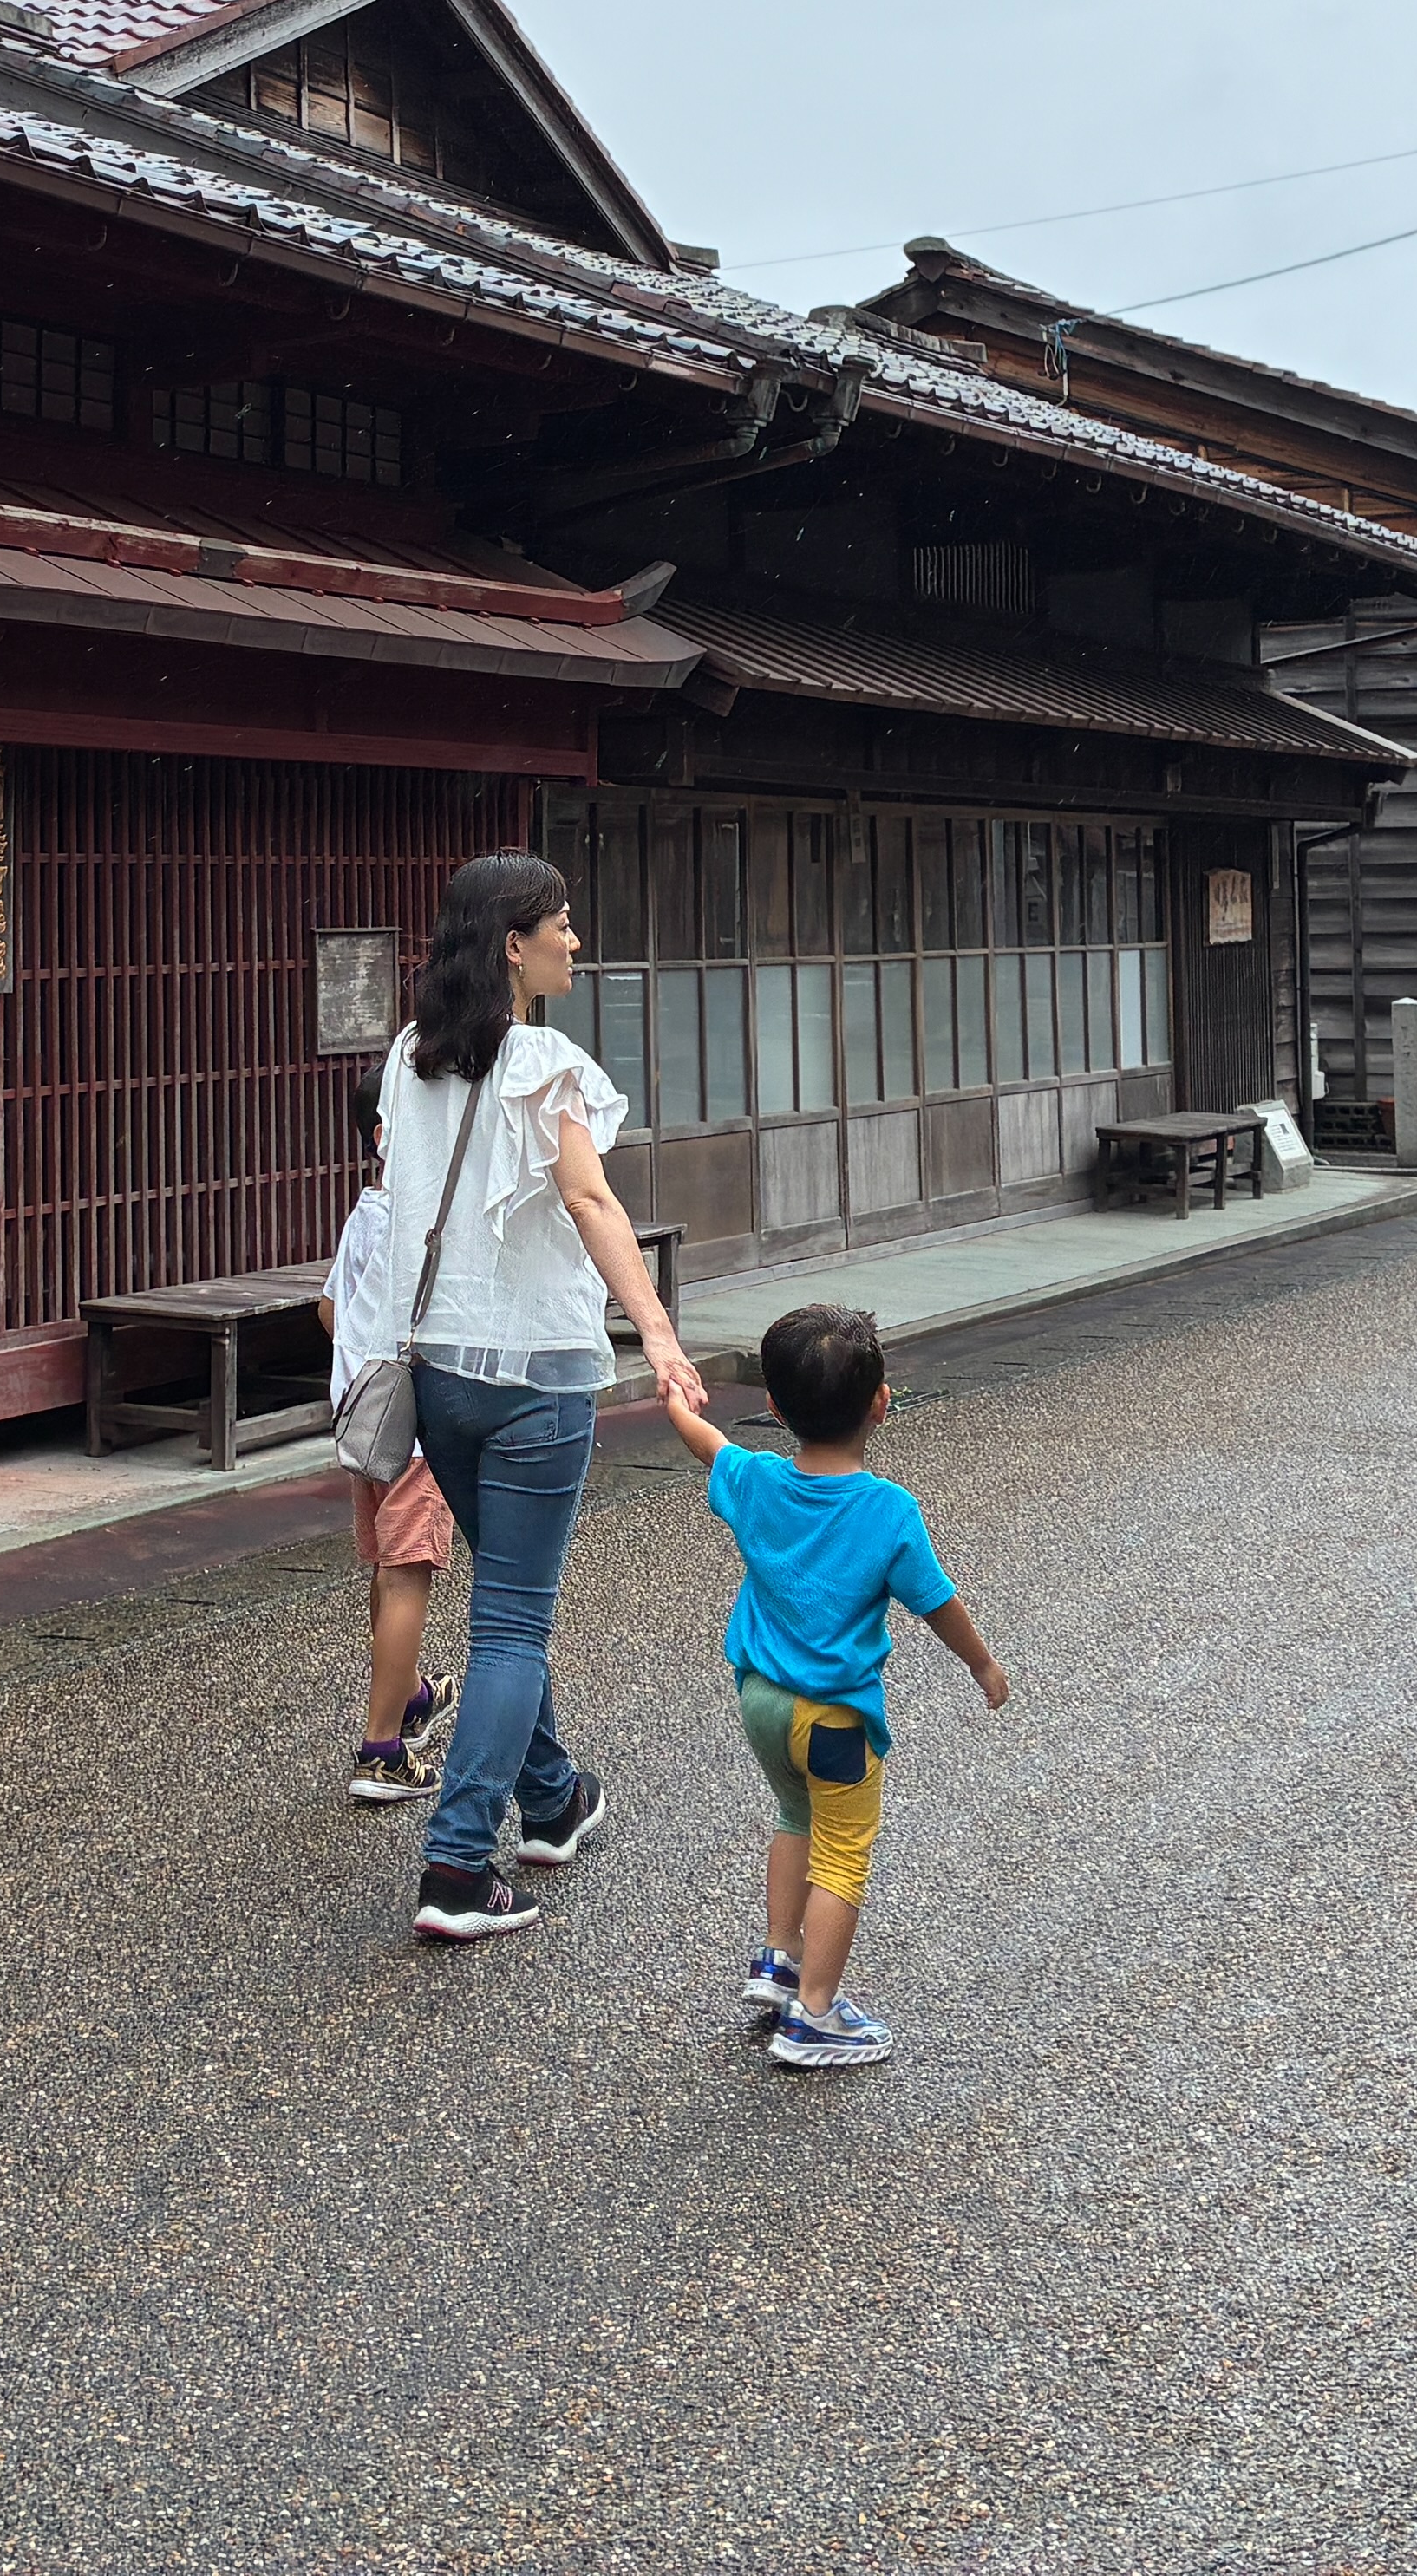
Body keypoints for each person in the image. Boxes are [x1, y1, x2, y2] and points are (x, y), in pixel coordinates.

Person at [382, 850, 690, 1945]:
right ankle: (459, 1865)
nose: (575, 939)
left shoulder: (410, 1058)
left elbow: (392, 1201)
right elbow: (593, 1200)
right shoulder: (547, 1061)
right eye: (560, 923)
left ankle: (553, 1797)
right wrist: (659, 1335)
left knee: (507, 1599)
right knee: (513, 1620)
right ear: (514, 942)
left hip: (436, 1373)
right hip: (536, 1375)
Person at [648, 1303, 1008, 2069]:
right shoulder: (887, 1511)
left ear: (774, 1410)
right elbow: (936, 1600)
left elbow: (707, 1444)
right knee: (843, 1855)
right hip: (836, 1719)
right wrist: (981, 1664)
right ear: (881, 1402)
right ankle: (814, 2017)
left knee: (791, 1815)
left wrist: (676, 1394)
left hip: (761, 1704)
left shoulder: (755, 1481)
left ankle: (778, 1960)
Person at [335, 1065, 455, 1804]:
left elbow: (329, 1308)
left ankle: (408, 1693)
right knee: (409, 1571)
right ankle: (382, 1749)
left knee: (386, 1565)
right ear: (386, 1135)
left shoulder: (366, 1212)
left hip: (363, 1414)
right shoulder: (416, 1220)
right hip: (411, 1422)